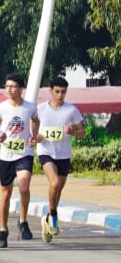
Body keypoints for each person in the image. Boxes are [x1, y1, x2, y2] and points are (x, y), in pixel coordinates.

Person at [0, 73, 40, 248]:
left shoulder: (30, 107)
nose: (8, 90)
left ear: (21, 89)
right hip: (6, 155)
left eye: (13, 86)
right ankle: (3, 230)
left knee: (24, 187)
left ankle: (23, 221)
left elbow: (35, 120)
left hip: (24, 153)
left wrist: (33, 135)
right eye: (7, 86)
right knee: (6, 193)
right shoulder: (1, 108)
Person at [36, 76, 84, 243]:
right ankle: (54, 216)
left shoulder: (71, 110)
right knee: (54, 183)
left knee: (58, 189)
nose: (60, 95)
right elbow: (33, 128)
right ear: (50, 91)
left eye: (63, 92)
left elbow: (82, 133)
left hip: (64, 154)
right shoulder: (41, 109)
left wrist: (73, 133)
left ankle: (48, 218)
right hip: (46, 151)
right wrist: (37, 137)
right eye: (57, 91)